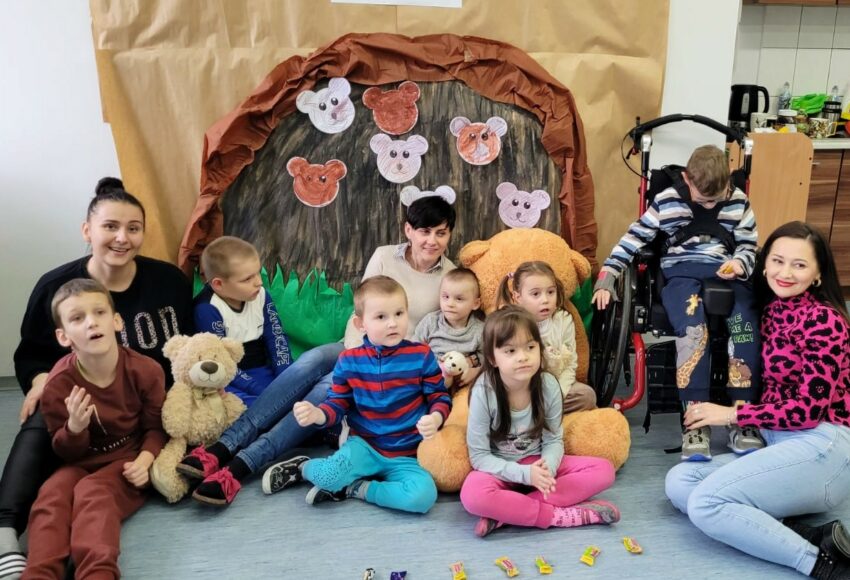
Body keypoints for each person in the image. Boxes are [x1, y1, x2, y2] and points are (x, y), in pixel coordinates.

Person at [0, 178, 192, 578]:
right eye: (110, 226)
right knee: (49, 463)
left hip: (147, 409)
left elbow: (189, 346)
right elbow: (31, 354)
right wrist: (42, 382)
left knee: (94, 495)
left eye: (133, 228)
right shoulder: (55, 288)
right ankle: (6, 534)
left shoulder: (169, 281)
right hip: (80, 402)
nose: (122, 238)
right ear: (87, 230)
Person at [665, 221, 850, 578]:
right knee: (680, 482)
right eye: (777, 261)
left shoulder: (826, 321)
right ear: (764, 265)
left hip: (822, 444)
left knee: (706, 503)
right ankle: (799, 533)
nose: (785, 273)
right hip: (778, 443)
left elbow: (808, 411)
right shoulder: (768, 311)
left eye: (799, 265)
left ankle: (822, 564)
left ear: (817, 274)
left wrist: (731, 415)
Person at [592, 145, 763, 461]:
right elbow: (633, 239)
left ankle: (743, 415)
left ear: (729, 180)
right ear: (687, 179)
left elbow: (749, 246)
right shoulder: (668, 200)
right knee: (693, 332)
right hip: (681, 273)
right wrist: (608, 275)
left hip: (726, 273)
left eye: (717, 198)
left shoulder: (738, 200)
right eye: (702, 199)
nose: (710, 204)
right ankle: (696, 418)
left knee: (746, 328)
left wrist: (740, 263)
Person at [262, 276, 451, 514]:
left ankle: (356, 489)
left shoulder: (421, 355)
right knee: (327, 477)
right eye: (381, 317)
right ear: (360, 323)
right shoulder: (349, 361)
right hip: (365, 446)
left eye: (399, 314)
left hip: (408, 452)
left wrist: (435, 417)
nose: (392, 323)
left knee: (422, 497)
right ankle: (302, 468)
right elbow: (338, 403)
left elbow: (439, 396)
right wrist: (318, 414)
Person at [23, 279, 167, 579]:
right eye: (78, 318)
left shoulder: (146, 371)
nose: (91, 322)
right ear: (63, 336)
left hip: (128, 462)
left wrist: (145, 461)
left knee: (94, 494)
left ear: (116, 321)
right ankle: (40, 572)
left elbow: (156, 428)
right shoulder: (58, 384)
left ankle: (97, 572)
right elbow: (64, 451)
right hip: (81, 462)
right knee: (51, 495)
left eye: (99, 312)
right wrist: (74, 428)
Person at [459, 306, 619, 537]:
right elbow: (479, 456)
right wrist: (524, 474)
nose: (523, 357)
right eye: (510, 350)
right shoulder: (484, 391)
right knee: (472, 496)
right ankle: (558, 516)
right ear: (493, 359)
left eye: (530, 347)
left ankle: (508, 512)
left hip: (538, 463)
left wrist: (546, 470)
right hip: (500, 469)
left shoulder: (548, 385)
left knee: (604, 470)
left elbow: (553, 440)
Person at [344, 194, 456, 347]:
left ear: (449, 235)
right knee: (315, 357)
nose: (432, 241)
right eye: (425, 231)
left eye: (441, 233)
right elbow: (361, 310)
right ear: (408, 230)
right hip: (365, 346)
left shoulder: (451, 276)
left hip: (407, 355)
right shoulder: (383, 257)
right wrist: (354, 351)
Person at [194, 236, 293, 406]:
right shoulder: (207, 309)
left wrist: (287, 378)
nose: (259, 282)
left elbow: (276, 337)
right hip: (231, 379)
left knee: (310, 374)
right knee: (234, 402)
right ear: (218, 284)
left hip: (264, 370)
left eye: (258, 273)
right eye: (247, 279)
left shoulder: (261, 295)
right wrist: (264, 394)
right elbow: (223, 363)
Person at [498, 261, 597, 413]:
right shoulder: (511, 324)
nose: (545, 300)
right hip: (523, 387)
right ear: (518, 297)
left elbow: (570, 364)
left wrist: (559, 393)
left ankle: (540, 411)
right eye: (535, 294)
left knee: (587, 396)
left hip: (558, 385)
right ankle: (531, 411)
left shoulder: (564, 320)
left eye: (550, 292)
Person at [413, 268, 485, 395]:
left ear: (475, 303)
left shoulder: (480, 330)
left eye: (459, 299)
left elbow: (488, 357)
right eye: (445, 297)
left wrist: (474, 368)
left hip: (460, 386)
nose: (450, 304)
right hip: (428, 378)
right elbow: (414, 347)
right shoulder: (431, 322)